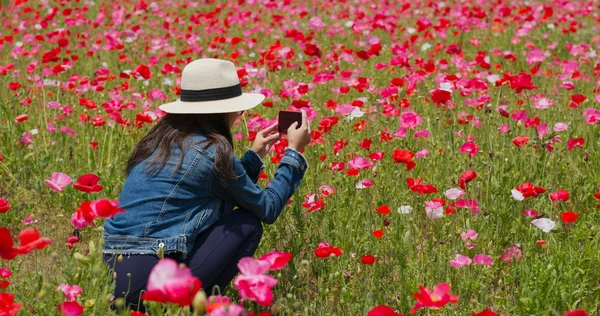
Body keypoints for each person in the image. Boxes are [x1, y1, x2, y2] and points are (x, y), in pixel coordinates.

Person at [102, 58, 311, 312]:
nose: (239, 115)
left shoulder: (158, 141)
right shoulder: (211, 151)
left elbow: (216, 189)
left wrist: (255, 156)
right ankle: (193, 309)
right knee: (247, 224)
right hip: (150, 281)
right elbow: (266, 208)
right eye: (238, 109)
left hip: (112, 273)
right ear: (220, 111)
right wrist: (294, 154)